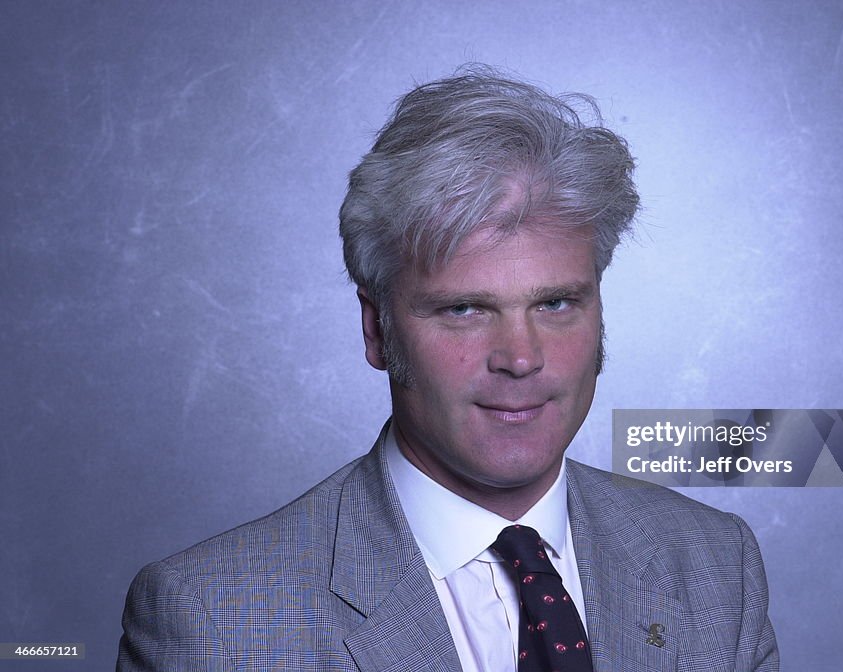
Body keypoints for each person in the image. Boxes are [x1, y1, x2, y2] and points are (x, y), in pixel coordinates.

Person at [117, 66, 779, 672]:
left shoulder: (715, 564)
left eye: (555, 303)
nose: (521, 358)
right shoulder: (211, 621)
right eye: (463, 309)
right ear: (378, 328)